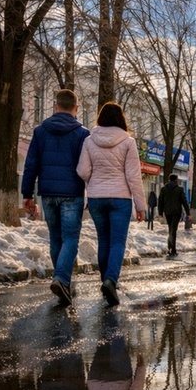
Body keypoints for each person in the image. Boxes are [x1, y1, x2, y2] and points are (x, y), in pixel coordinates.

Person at [22, 88, 91, 305]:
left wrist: (27, 193)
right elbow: (87, 167)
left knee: (55, 237)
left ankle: (62, 282)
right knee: (70, 238)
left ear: (55, 106)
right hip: (72, 193)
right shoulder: (83, 134)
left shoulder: (40, 131)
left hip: (48, 192)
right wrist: (90, 191)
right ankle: (61, 278)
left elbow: (31, 164)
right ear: (76, 108)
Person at [76, 102, 147, 306]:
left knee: (104, 240)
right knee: (117, 241)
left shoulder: (89, 140)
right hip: (120, 198)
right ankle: (111, 280)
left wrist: (95, 180)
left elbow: (83, 171)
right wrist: (140, 206)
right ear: (121, 119)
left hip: (97, 198)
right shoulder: (128, 142)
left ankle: (105, 282)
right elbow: (133, 176)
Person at [157, 174, 190, 257]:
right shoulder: (179, 189)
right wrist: (188, 213)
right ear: (176, 180)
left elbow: (160, 201)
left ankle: (170, 248)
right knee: (173, 229)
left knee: (170, 228)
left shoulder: (163, 189)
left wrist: (160, 212)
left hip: (167, 212)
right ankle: (173, 250)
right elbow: (184, 202)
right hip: (176, 212)